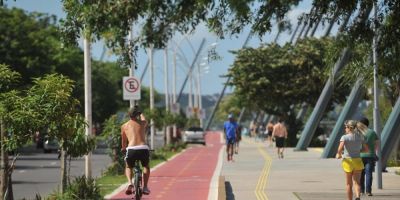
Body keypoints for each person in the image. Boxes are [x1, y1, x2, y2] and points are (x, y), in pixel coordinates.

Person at [121, 106, 151, 195]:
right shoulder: (142, 123)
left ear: (129, 115)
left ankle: (130, 183)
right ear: (137, 115)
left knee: (128, 166)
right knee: (146, 166)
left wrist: (123, 148)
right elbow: (144, 119)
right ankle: (145, 187)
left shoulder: (124, 126)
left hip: (131, 149)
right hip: (143, 148)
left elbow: (124, 142)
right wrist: (141, 113)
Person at [336, 120, 369, 200]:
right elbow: (366, 149)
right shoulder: (360, 137)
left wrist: (339, 154)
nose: (345, 129)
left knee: (348, 184)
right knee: (357, 182)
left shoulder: (344, 137)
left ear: (349, 128)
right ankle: (357, 196)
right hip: (357, 161)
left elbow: (340, 148)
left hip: (348, 161)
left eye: (345, 127)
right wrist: (358, 151)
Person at [359, 117, 379, 196]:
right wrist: (374, 151)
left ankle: (361, 190)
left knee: (361, 173)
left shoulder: (358, 133)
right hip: (370, 155)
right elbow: (377, 144)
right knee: (369, 173)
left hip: (360, 156)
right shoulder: (372, 132)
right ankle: (368, 191)